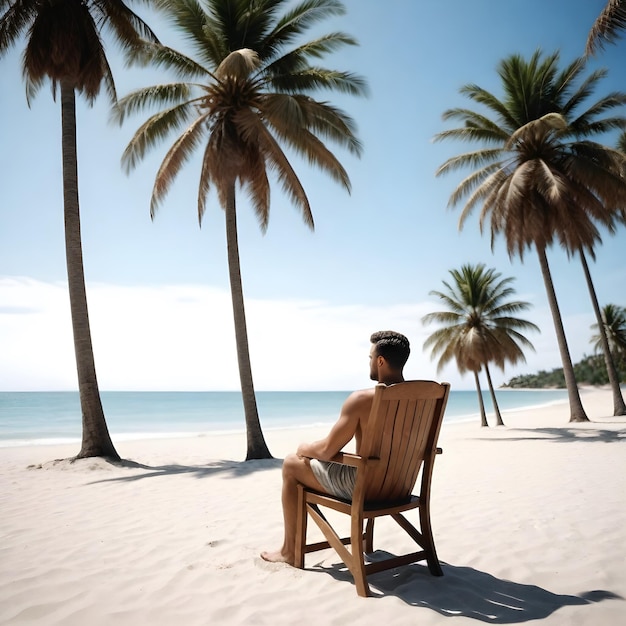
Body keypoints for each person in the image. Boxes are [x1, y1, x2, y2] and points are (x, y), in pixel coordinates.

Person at [260, 330, 410, 565]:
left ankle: (290, 551)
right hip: (401, 486)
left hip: (367, 489)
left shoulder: (362, 399)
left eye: (370, 357)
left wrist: (304, 447)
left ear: (381, 361)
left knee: (291, 464)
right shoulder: (425, 398)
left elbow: (328, 450)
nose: (369, 362)